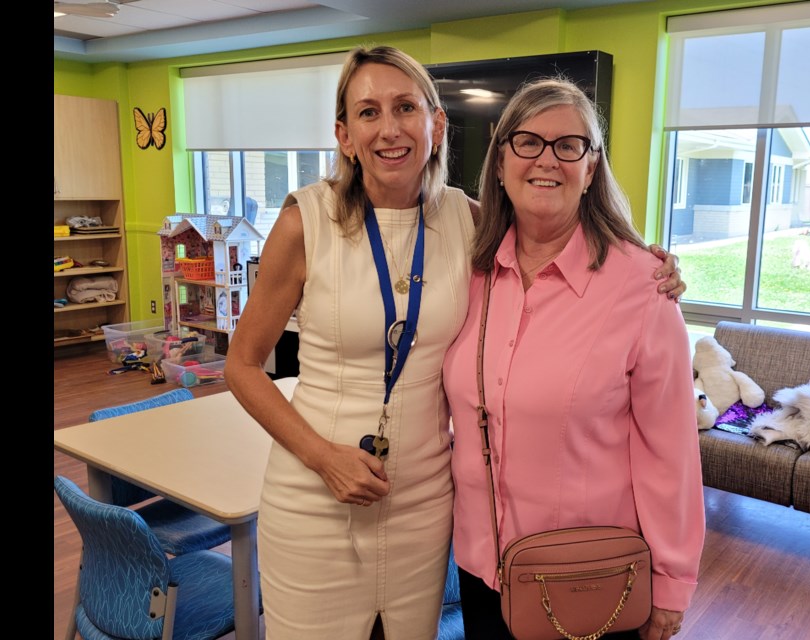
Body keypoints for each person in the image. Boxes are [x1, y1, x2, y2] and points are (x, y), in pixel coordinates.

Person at [225, 45, 685, 640]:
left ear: (436, 125)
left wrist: (651, 263)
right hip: (317, 496)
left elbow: (562, 222)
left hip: (425, 505)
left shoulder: (468, 224)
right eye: (368, 112)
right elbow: (241, 366)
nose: (389, 129)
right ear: (343, 134)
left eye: (405, 107)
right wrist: (321, 457)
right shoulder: (304, 222)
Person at [442, 78, 705, 640]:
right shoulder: (468, 272)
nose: (547, 159)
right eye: (527, 142)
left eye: (570, 145)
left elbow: (671, 453)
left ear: (591, 168)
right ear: (500, 157)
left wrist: (671, 580)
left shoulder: (641, 286)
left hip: (587, 577)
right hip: (482, 568)